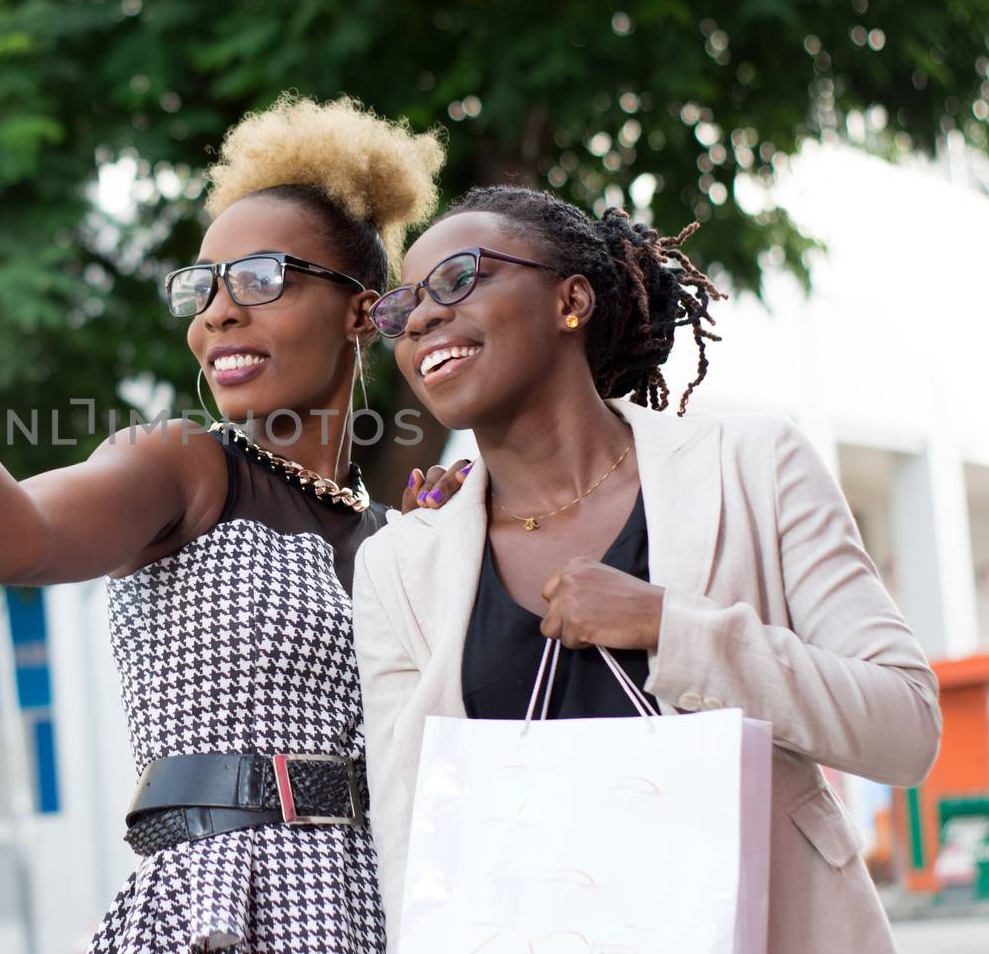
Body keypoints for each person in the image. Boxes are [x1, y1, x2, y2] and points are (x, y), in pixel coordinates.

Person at [0, 95, 444, 951]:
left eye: (260, 279)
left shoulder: (393, 537)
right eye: (201, 287)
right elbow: (14, 537)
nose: (217, 313)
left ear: (363, 312)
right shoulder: (185, 464)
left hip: (381, 909)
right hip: (219, 906)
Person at [351, 185, 941, 952]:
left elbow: (906, 728)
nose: (422, 316)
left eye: (460, 278)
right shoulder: (399, 566)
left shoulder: (752, 466)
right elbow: (410, 839)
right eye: (402, 308)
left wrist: (670, 627)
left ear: (571, 300)